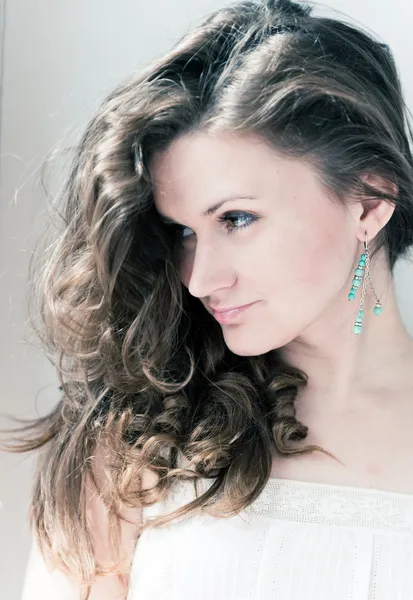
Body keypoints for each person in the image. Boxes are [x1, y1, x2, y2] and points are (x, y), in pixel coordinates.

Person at [2, 0, 413, 598]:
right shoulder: (137, 433)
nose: (199, 279)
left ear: (371, 202)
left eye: (237, 218)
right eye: (184, 233)